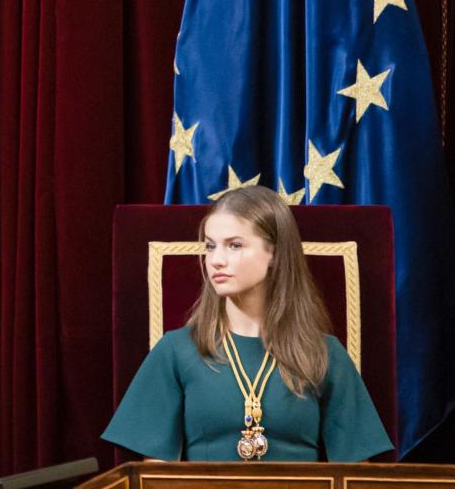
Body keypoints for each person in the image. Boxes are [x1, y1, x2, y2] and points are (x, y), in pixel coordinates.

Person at [102, 185, 391, 461]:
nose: (216, 260)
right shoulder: (176, 350)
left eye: (235, 245)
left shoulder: (325, 353)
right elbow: (155, 475)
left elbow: (353, 476)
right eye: (211, 246)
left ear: (274, 254)